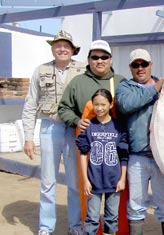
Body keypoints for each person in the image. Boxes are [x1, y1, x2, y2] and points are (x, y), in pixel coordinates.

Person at [58, 39, 128, 234]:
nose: (100, 60)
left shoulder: (121, 81)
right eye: (95, 57)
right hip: (87, 146)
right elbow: (63, 108)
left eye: (104, 56)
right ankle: (82, 228)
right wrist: (76, 121)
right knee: (84, 193)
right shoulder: (78, 82)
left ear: (111, 59)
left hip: (114, 150)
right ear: (88, 59)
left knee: (115, 205)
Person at [22, 30, 86, 235]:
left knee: (75, 181)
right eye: (58, 45)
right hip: (50, 127)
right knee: (48, 180)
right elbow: (30, 104)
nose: (62, 49)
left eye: (66, 45)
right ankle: (45, 227)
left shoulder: (83, 69)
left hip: (74, 129)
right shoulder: (40, 71)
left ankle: (75, 226)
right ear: (52, 48)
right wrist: (28, 138)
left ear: (72, 49)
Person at [115, 48, 164, 235]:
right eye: (136, 65)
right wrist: (156, 88)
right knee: (135, 205)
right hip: (137, 156)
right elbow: (127, 105)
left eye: (144, 64)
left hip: (163, 157)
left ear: (151, 65)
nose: (140, 68)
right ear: (131, 68)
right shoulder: (125, 88)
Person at [76, 89, 129, 235]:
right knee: (92, 217)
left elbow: (123, 155)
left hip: (114, 181)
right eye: (96, 104)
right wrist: (85, 180)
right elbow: (82, 154)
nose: (99, 108)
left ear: (111, 105)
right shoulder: (88, 127)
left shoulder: (118, 127)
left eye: (103, 104)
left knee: (112, 218)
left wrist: (122, 179)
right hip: (94, 180)